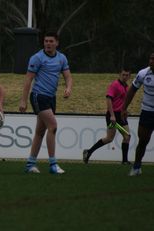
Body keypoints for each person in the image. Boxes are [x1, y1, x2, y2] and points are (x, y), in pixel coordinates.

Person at [19, 31, 73, 174]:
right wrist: (23, 100)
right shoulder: (37, 58)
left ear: (57, 43)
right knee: (53, 126)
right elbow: (28, 80)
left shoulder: (61, 58)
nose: (48, 44)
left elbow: (68, 76)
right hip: (38, 96)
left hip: (51, 98)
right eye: (46, 41)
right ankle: (53, 164)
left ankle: (30, 164)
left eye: (51, 41)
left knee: (40, 132)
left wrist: (68, 88)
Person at [83, 69, 131, 164]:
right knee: (109, 138)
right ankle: (88, 152)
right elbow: (108, 99)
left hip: (120, 115)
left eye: (127, 75)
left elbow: (122, 101)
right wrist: (112, 115)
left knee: (127, 136)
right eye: (123, 75)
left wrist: (125, 110)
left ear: (129, 76)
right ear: (119, 75)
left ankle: (125, 161)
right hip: (113, 115)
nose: (124, 76)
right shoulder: (115, 85)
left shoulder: (126, 87)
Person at [123, 53, 154, 176]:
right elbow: (132, 90)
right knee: (143, 141)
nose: (151, 61)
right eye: (150, 58)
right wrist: (124, 108)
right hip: (147, 112)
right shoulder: (143, 73)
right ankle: (136, 167)